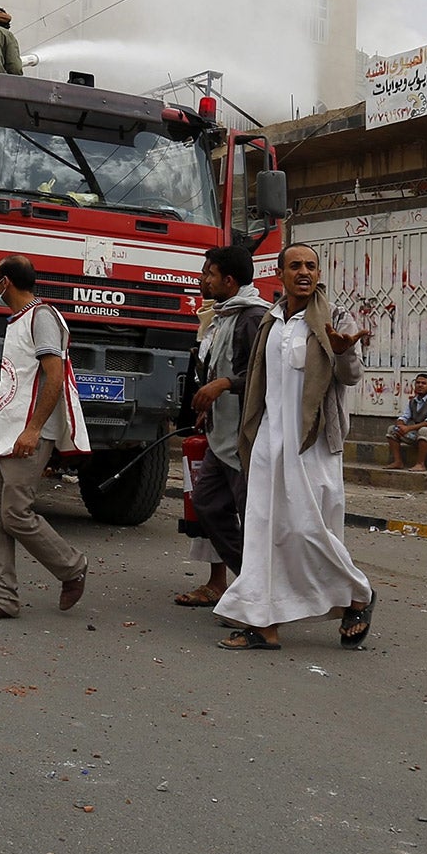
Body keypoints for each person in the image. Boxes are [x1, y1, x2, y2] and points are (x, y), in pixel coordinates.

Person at [215, 244, 376, 651]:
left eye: (311, 265)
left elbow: (351, 376)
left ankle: (357, 593)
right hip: (270, 438)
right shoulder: (271, 320)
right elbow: (259, 382)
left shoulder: (335, 317)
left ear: (319, 273)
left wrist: (344, 353)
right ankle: (263, 624)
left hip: (313, 443)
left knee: (307, 528)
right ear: (281, 274)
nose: (304, 271)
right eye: (295, 266)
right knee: (265, 529)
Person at [0, 255, 91, 620]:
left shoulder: (42, 317)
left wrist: (33, 429)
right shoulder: (17, 320)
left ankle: (72, 567)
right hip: (2, 432)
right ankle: (2, 598)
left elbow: (54, 376)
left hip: (27, 434)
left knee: (16, 513)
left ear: (5, 281)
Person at [175, 244, 269, 608]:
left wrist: (224, 384)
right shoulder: (223, 315)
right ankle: (251, 579)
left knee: (252, 519)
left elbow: (262, 376)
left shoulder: (252, 318)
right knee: (208, 504)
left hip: (246, 440)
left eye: (209, 274)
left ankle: (260, 593)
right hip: (219, 435)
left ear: (228, 281)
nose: (203, 279)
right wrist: (207, 403)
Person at [386, 375, 427, 470]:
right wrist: (400, 425)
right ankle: (398, 462)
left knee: (424, 430)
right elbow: (404, 417)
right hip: (418, 434)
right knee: (392, 429)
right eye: (418, 383)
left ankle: (420, 464)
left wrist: (408, 428)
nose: (420, 385)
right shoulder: (412, 401)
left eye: (423, 383)